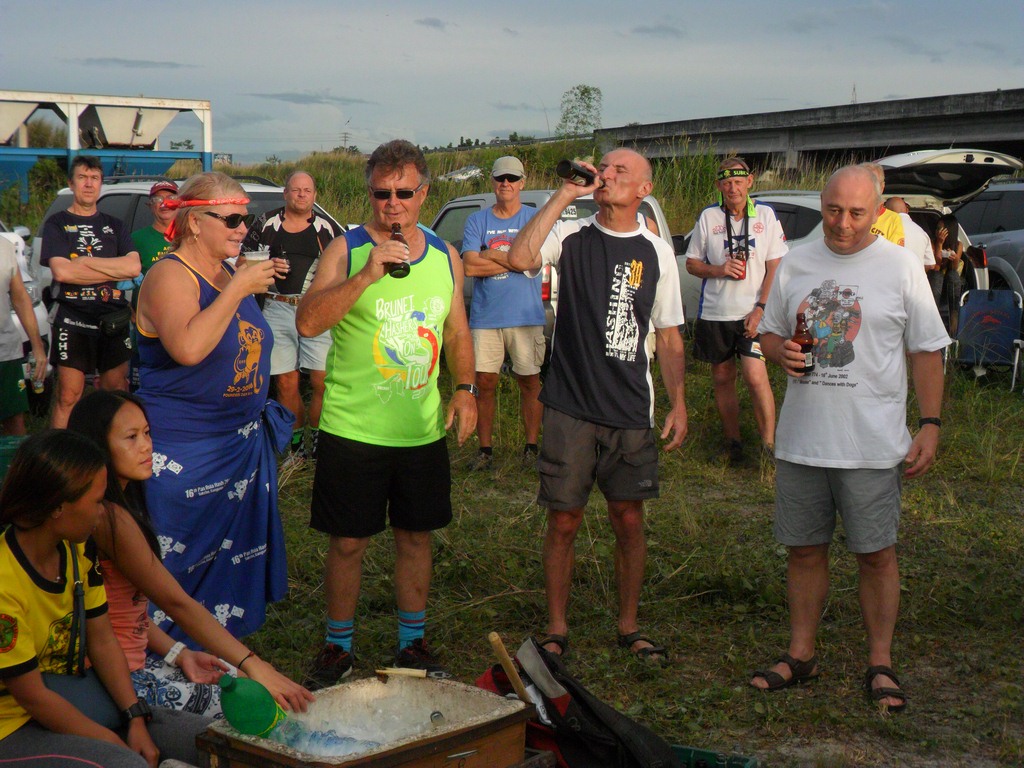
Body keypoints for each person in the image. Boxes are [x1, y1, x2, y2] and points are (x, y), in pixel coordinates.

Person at [752, 165, 949, 712]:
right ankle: (801, 654)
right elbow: (770, 333)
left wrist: (930, 424)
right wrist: (779, 352)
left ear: (877, 210)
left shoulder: (900, 266)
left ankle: (880, 662)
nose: (842, 223)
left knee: (876, 555)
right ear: (821, 204)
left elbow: (926, 349)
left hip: (872, 444)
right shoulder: (796, 261)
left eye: (856, 213)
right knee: (803, 550)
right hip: (803, 440)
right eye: (833, 210)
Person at [296, 139, 477, 687]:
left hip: (419, 429)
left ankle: (411, 644)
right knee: (349, 542)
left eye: (403, 192)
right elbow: (308, 322)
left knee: (415, 537)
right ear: (369, 193)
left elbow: (456, 329)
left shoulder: (444, 256)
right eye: (381, 193)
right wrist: (366, 277)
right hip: (354, 427)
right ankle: (338, 648)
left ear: (424, 193)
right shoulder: (347, 250)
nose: (392, 203)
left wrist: (465, 388)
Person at [507, 148, 687, 663]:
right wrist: (567, 192)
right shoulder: (571, 235)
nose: (606, 174)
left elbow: (669, 334)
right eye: (603, 167)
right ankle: (556, 628)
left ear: (644, 190)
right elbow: (520, 259)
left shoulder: (657, 253)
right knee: (564, 519)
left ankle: (629, 626)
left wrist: (679, 404)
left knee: (628, 519)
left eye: (619, 171)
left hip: (629, 409)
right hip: (569, 404)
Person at [67, 390, 314, 717]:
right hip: (116, 680)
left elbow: (123, 612)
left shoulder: (116, 509)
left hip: (134, 663)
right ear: (97, 446)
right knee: (259, 710)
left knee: (245, 688)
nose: (146, 446)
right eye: (131, 437)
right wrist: (255, 665)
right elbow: (176, 602)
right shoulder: (110, 519)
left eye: (147, 433)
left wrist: (179, 654)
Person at [135, 172, 293, 643]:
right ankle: (164, 661)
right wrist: (238, 289)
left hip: (238, 446)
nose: (243, 229)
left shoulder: (226, 274)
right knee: (174, 570)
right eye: (231, 219)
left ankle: (222, 656)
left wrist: (239, 284)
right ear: (194, 222)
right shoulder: (170, 274)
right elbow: (187, 348)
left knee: (229, 577)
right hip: (186, 452)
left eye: (246, 219)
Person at [0, 430, 210, 768]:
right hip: (12, 725)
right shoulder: (4, 583)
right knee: (124, 764)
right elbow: (33, 697)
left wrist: (134, 716)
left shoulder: (76, 552)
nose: (103, 513)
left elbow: (102, 640)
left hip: (76, 698)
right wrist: (113, 742)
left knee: (210, 739)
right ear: (58, 507)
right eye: (97, 501)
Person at [685, 157, 786, 464]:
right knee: (722, 377)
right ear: (719, 186)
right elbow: (692, 264)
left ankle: (769, 445)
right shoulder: (709, 216)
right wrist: (719, 270)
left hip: (752, 314)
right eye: (727, 183)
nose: (733, 189)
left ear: (749, 182)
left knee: (755, 376)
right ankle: (733, 443)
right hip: (716, 313)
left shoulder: (765, 215)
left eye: (739, 182)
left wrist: (761, 308)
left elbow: (775, 266)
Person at [242, 171, 344, 467]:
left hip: (315, 308)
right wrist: (267, 265)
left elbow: (345, 263)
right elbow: (241, 260)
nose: (301, 195)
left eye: (307, 190)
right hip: (276, 306)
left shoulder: (327, 227)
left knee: (322, 380)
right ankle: (297, 449)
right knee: (286, 382)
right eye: (296, 190)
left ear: (314, 195)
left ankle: (321, 442)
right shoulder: (266, 223)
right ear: (285, 193)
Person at [40, 155, 141, 428]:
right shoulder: (57, 223)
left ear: (101, 184)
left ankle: (108, 447)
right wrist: (113, 269)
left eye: (94, 178)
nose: (88, 184)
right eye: (82, 177)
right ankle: (59, 449)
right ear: (71, 183)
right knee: (69, 395)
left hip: (113, 318)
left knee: (115, 391)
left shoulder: (115, 225)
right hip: (73, 317)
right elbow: (62, 273)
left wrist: (84, 263)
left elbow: (133, 267)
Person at [461, 156, 543, 470]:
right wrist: (514, 261)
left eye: (512, 178)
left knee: (530, 382)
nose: (505, 183)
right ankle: (485, 450)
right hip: (486, 317)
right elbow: (470, 266)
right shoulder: (477, 221)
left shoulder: (533, 218)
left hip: (525, 316)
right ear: (492, 182)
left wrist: (491, 253)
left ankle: (531, 448)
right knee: (484, 382)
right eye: (500, 178)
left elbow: (534, 262)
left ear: (522, 183)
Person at [127, 180, 179, 391]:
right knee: (144, 385)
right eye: (158, 199)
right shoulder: (137, 239)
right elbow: (119, 281)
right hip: (146, 326)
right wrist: (130, 311)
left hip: (180, 323)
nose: (165, 203)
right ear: (150, 205)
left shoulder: (191, 237)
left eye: (171, 198)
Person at [1, 235, 46, 435]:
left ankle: (16, 456)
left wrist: (37, 347)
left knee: (14, 420)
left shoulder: (5, 247)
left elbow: (20, 297)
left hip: (6, 352)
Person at [930, 213, 964, 336]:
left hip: (949, 285)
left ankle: (954, 316)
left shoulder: (958, 245)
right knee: (937, 276)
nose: (937, 231)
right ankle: (933, 316)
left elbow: (954, 269)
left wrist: (954, 259)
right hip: (935, 282)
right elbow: (935, 268)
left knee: (953, 275)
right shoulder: (932, 243)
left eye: (941, 229)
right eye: (937, 228)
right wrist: (939, 245)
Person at [883, 196, 936, 270]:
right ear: (906, 210)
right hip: (916, 276)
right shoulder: (922, 232)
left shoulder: (883, 228)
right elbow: (931, 265)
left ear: (887, 211)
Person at [860, 163, 905, 247]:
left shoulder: (893, 219)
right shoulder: (846, 214)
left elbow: (894, 252)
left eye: (874, 183)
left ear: (882, 187)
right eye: (863, 182)